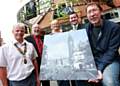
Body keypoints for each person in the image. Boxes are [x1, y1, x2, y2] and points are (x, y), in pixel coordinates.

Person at [76, 2, 120, 86]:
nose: (92, 14)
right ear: (87, 16)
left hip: (110, 61)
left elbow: (111, 52)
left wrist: (99, 69)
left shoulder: (114, 28)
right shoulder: (85, 29)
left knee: (109, 82)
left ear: (101, 12)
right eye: (89, 12)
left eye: (94, 10)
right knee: (79, 77)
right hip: (92, 62)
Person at [50, 19, 70, 86]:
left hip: (67, 58)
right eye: (53, 24)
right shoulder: (49, 37)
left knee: (72, 78)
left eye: (56, 23)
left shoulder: (65, 33)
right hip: (57, 61)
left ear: (59, 24)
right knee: (62, 80)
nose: (55, 25)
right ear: (51, 27)